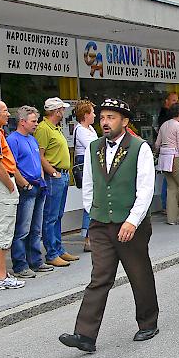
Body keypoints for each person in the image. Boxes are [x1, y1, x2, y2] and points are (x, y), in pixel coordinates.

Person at [59, 98, 159, 353]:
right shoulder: (94, 147)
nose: (105, 122)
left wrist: (132, 221)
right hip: (101, 223)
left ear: (124, 122)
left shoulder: (140, 147)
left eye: (111, 117)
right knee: (99, 277)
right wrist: (93, 212)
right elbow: (89, 184)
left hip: (130, 223)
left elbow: (145, 189)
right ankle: (85, 335)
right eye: (103, 117)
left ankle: (148, 322)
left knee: (139, 273)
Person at [7, 106, 53, 279]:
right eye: (33, 121)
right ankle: (20, 265)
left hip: (38, 186)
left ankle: (36, 260)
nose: (36, 124)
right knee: (23, 228)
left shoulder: (32, 139)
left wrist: (41, 178)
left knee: (36, 228)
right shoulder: (13, 140)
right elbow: (12, 166)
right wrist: (24, 184)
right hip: (27, 188)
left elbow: (38, 161)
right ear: (22, 121)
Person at [34, 97, 78, 267]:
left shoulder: (56, 127)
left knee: (58, 215)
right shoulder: (44, 128)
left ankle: (58, 249)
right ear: (56, 111)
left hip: (62, 174)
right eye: (62, 109)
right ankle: (52, 253)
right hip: (55, 175)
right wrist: (53, 172)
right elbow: (40, 155)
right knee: (51, 216)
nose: (64, 112)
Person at [0, 99, 24, 291]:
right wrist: (10, 186)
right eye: (4, 111)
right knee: (1, 232)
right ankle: (1, 276)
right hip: (0, 183)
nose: (8, 114)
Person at [73, 100, 98, 252]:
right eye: (93, 112)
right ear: (86, 114)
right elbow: (94, 147)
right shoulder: (81, 130)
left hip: (91, 164)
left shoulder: (90, 129)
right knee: (90, 200)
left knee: (95, 200)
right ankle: (88, 238)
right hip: (86, 164)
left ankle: (92, 236)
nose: (95, 115)